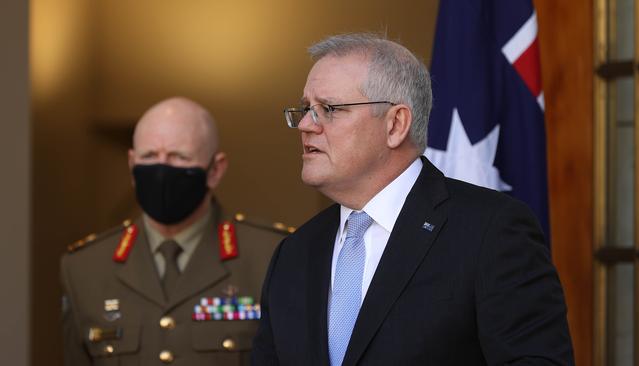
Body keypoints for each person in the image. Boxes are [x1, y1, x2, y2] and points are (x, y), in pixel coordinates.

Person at [251, 33, 574, 365]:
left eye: (329, 109)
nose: (305, 124)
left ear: (396, 124)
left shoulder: (490, 232)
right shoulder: (294, 253)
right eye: (306, 109)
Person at [61, 97, 290, 366]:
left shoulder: (272, 257)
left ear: (215, 170)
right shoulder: (84, 268)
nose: (161, 169)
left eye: (179, 157)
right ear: (132, 164)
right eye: (149, 156)